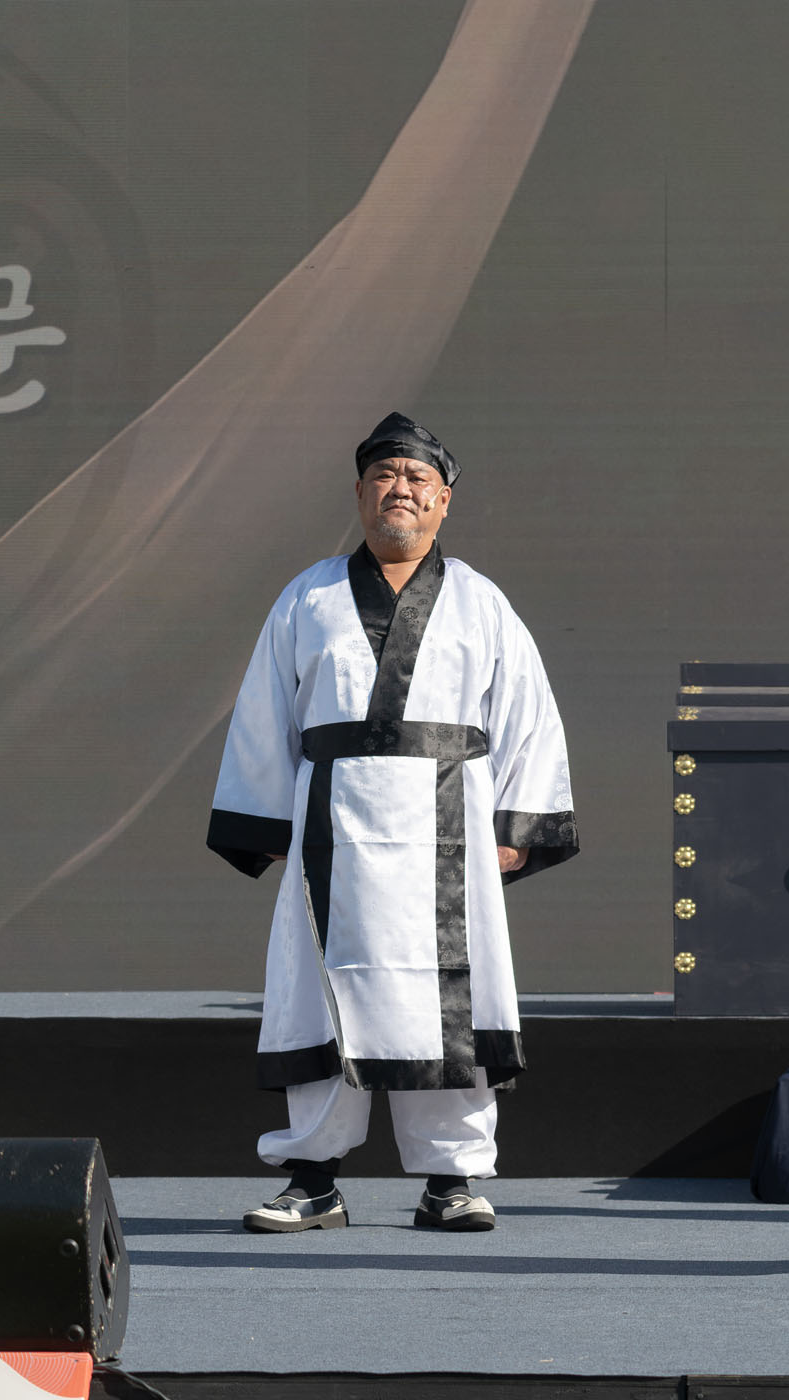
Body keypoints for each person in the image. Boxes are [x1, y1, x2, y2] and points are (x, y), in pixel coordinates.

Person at [207, 412, 578, 1234]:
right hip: (331, 828)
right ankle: (312, 1177)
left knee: (451, 996)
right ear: (359, 494)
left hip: (449, 827)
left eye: (417, 479)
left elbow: (527, 715)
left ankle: (452, 1179)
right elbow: (264, 714)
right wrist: (265, 820)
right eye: (384, 475)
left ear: (444, 502)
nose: (399, 490)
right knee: (320, 992)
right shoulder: (306, 598)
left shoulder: (481, 602)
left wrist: (518, 822)